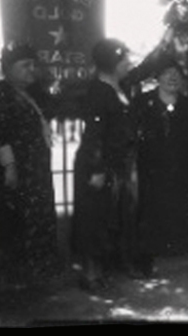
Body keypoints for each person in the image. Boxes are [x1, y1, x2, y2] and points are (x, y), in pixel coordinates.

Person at [0, 42, 59, 292]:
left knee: (35, 220)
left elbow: (50, 106)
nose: (32, 70)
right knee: (14, 222)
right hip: (14, 174)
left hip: (34, 173)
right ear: (8, 68)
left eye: (34, 65)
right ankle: (12, 282)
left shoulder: (28, 93)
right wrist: (10, 166)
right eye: (25, 66)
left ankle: (34, 277)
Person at [71, 38, 138, 291]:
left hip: (114, 165)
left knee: (107, 219)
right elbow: (93, 136)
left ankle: (100, 272)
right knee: (93, 220)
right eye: (125, 60)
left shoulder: (119, 87)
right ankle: (90, 276)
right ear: (113, 64)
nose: (129, 64)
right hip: (96, 166)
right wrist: (97, 170)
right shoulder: (99, 92)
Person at [132, 53, 188, 276]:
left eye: (176, 74)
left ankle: (175, 253)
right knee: (148, 214)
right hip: (149, 170)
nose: (172, 78)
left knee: (176, 211)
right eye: (167, 74)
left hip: (178, 170)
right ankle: (145, 260)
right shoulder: (142, 102)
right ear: (157, 78)